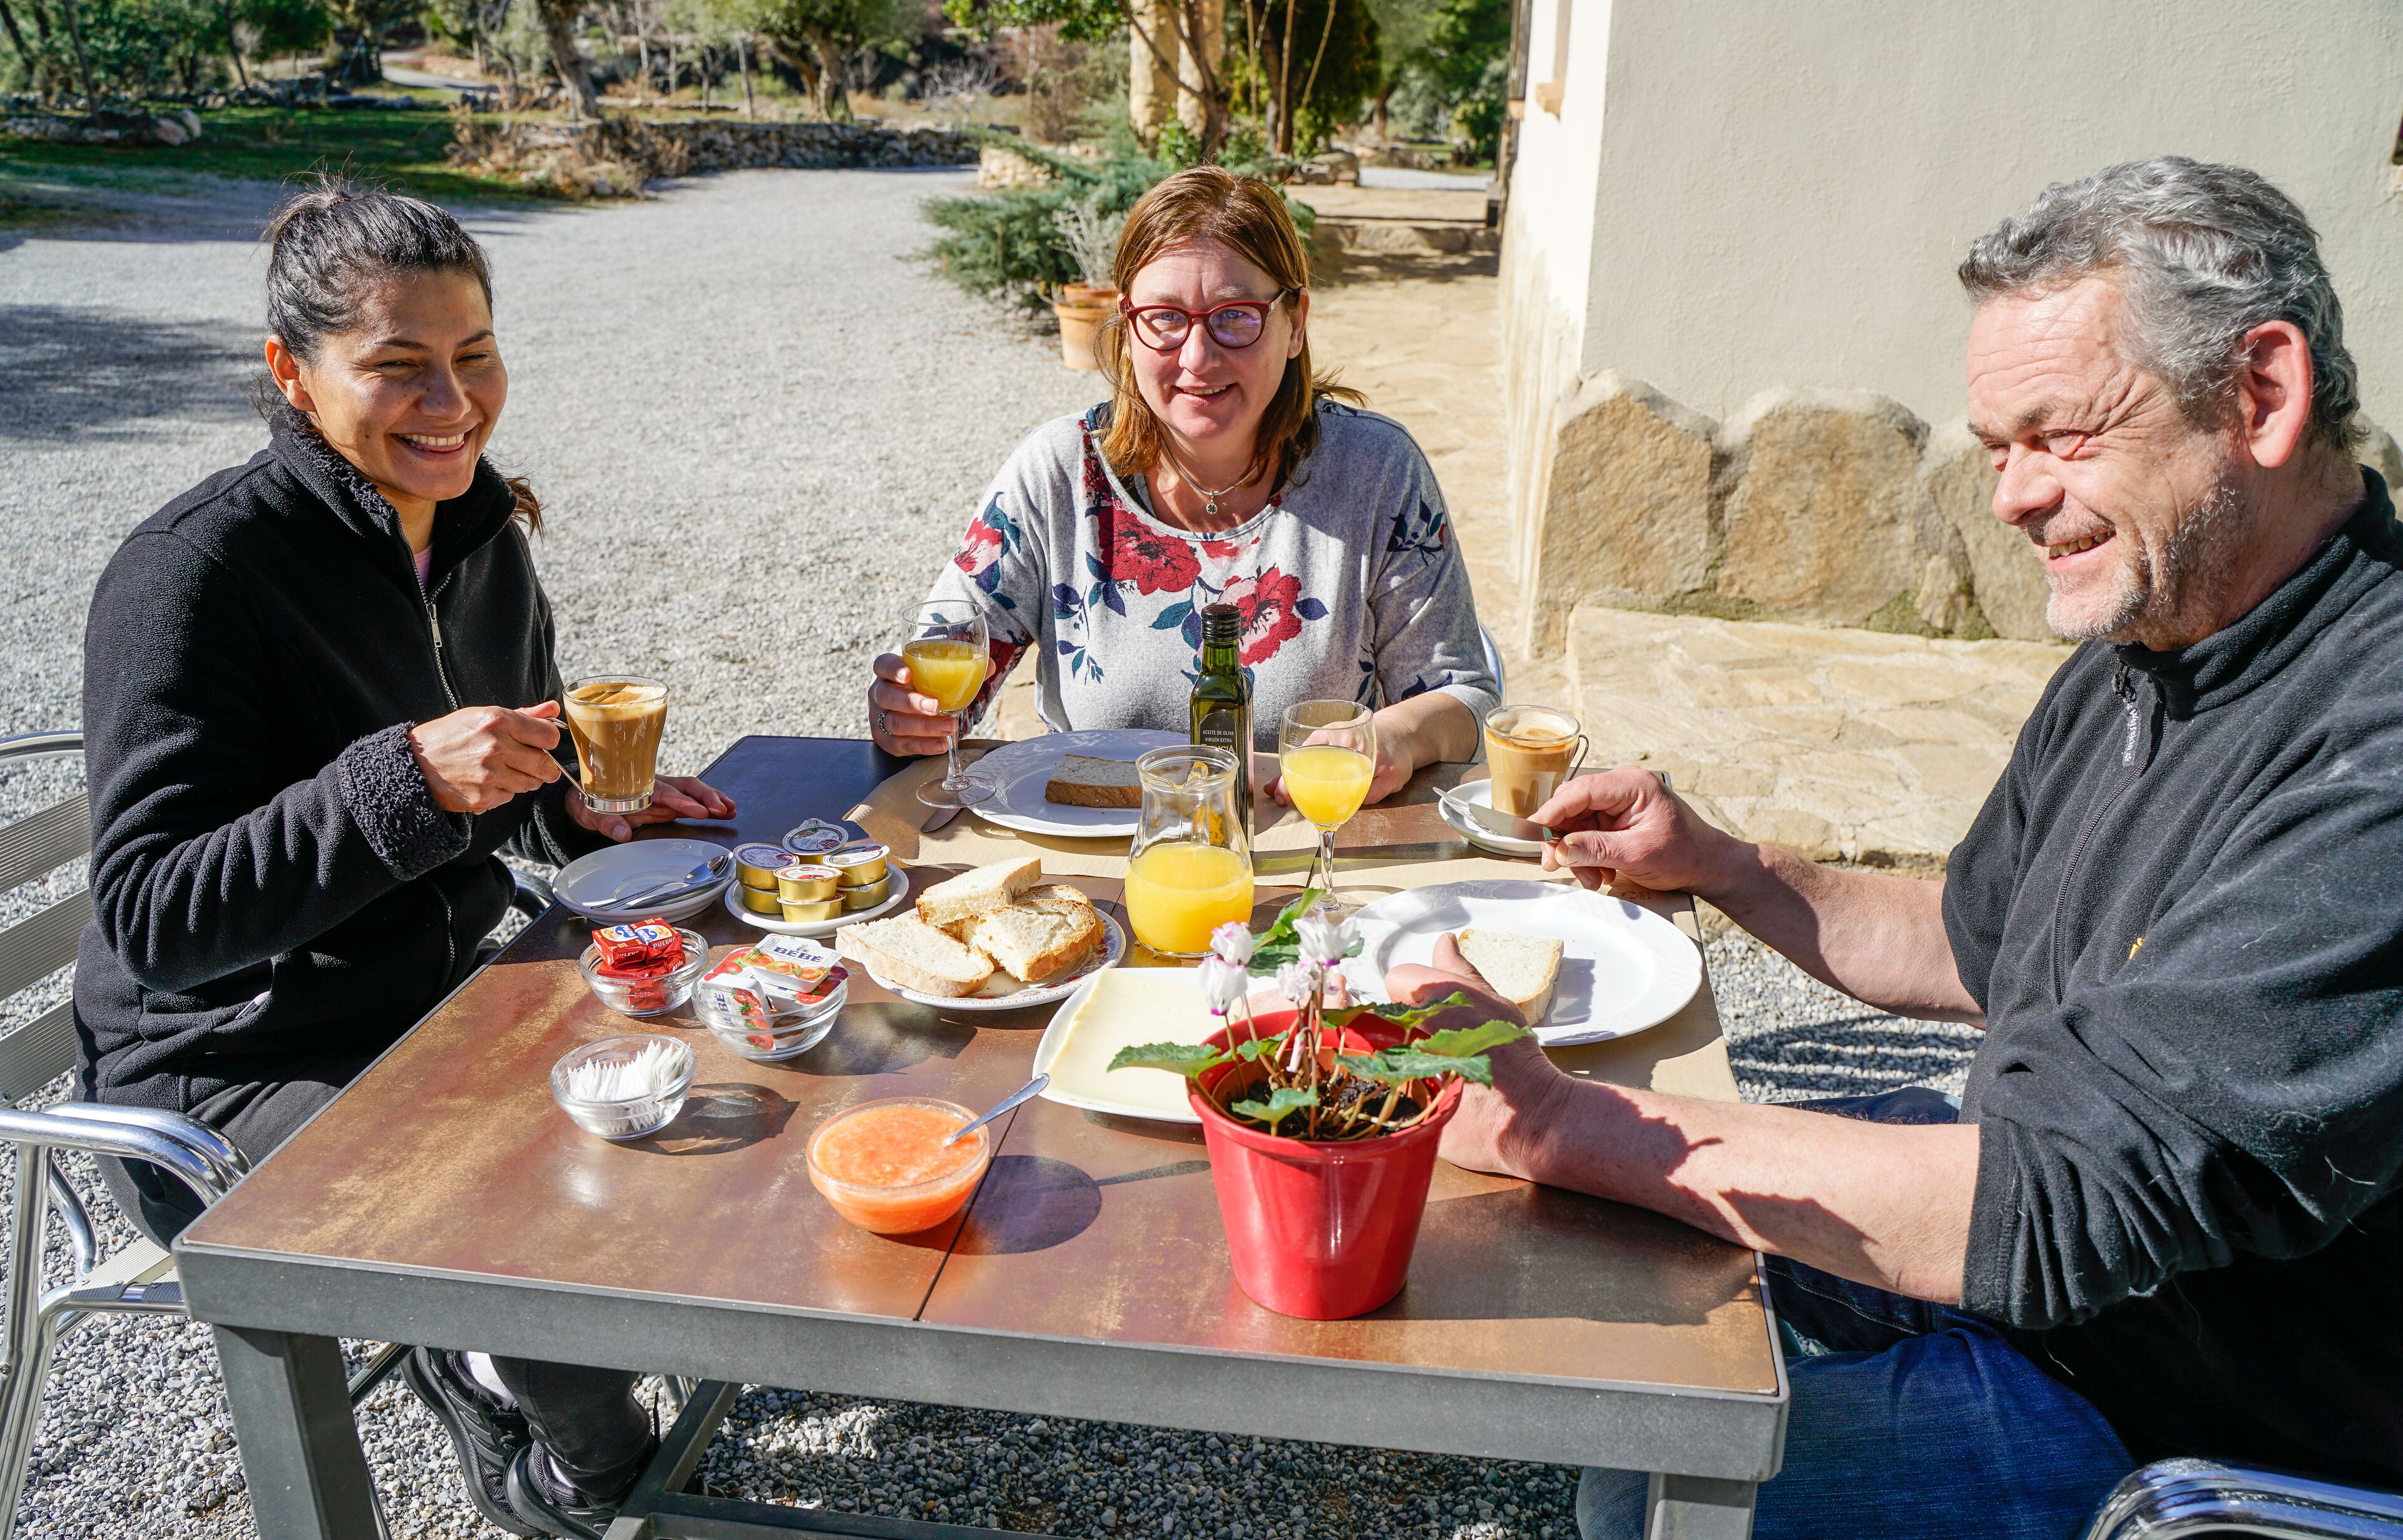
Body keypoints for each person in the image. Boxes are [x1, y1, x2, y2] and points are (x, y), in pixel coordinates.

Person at [1387, 156, 2403, 1539]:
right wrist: (1728, 866)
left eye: (2058, 435)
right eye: (1996, 447)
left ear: (2262, 394)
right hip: (2050, 1245)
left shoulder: (2371, 750)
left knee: (1640, 1488)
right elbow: (1981, 941)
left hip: (2184, 1402)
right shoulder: (2160, 627)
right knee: (1616, 1265)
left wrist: (1560, 1116)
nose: (2012, 497)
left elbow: (2062, 1210)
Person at [74, 181, 737, 1540]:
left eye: (474, 354)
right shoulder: (195, 572)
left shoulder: (480, 532)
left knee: (720, 1052)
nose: (452, 401)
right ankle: (586, 1478)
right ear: (291, 373)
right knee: (540, 1200)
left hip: (428, 1009)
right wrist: (400, 782)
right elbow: (153, 915)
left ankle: (515, 1361)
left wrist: (585, 810)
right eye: (399, 365)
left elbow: (506, 792)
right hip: (229, 1065)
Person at [868, 165, 1497, 803]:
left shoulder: (1377, 472)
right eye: (1165, 318)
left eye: (1236, 316)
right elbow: (946, 667)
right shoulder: (1058, 472)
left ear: (1296, 323)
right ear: (1127, 326)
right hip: (1091, 847)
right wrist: (907, 713)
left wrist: (1397, 735)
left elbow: (1465, 695)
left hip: (1308, 846)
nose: (1198, 356)